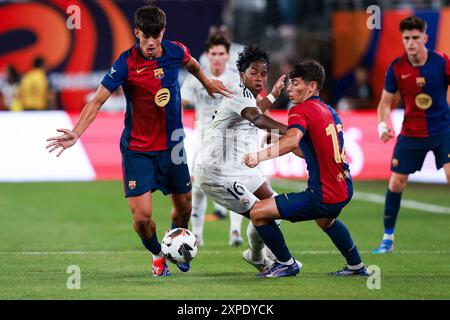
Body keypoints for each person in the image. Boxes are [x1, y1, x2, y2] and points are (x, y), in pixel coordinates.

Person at [46, 5, 231, 277]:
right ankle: (158, 254)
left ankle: (174, 243)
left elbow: (191, 63)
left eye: (156, 37)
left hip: (173, 146)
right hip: (138, 149)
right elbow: (97, 101)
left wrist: (206, 82)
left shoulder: (175, 50)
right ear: (137, 33)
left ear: (163, 34)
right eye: (146, 37)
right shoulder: (125, 63)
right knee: (143, 219)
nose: (152, 43)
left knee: (184, 209)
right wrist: (77, 132)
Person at [243, 60, 370, 277]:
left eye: (295, 84)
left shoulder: (300, 110)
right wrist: (280, 137)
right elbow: (304, 150)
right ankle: (356, 266)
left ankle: (286, 263)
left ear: (311, 87)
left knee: (258, 212)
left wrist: (258, 156)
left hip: (323, 194)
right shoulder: (328, 110)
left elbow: (293, 142)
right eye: (290, 84)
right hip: (344, 187)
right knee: (325, 220)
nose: (289, 89)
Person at [197, 45, 288, 271]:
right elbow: (256, 117)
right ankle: (269, 260)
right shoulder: (238, 93)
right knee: (263, 215)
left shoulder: (246, 96)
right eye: (253, 72)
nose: (259, 78)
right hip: (217, 174)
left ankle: (256, 255)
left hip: (240, 168)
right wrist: (292, 129)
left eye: (263, 73)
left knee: (275, 211)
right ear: (241, 75)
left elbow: (255, 108)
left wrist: (274, 94)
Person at [373, 16, 450, 254]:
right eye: (407, 38)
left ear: (425, 38)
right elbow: (384, 104)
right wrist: (382, 126)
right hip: (411, 133)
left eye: (416, 37)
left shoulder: (442, 62)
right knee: (396, 182)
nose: (411, 42)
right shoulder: (397, 68)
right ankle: (387, 238)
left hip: (442, 130)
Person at [181, 32, 244, 247]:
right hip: (203, 138)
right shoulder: (197, 77)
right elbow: (182, 102)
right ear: (207, 56)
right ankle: (197, 235)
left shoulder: (236, 80)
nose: (217, 58)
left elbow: (253, 104)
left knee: (236, 183)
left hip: (230, 140)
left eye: (221, 53)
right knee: (197, 186)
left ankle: (235, 232)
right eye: (213, 53)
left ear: (227, 56)